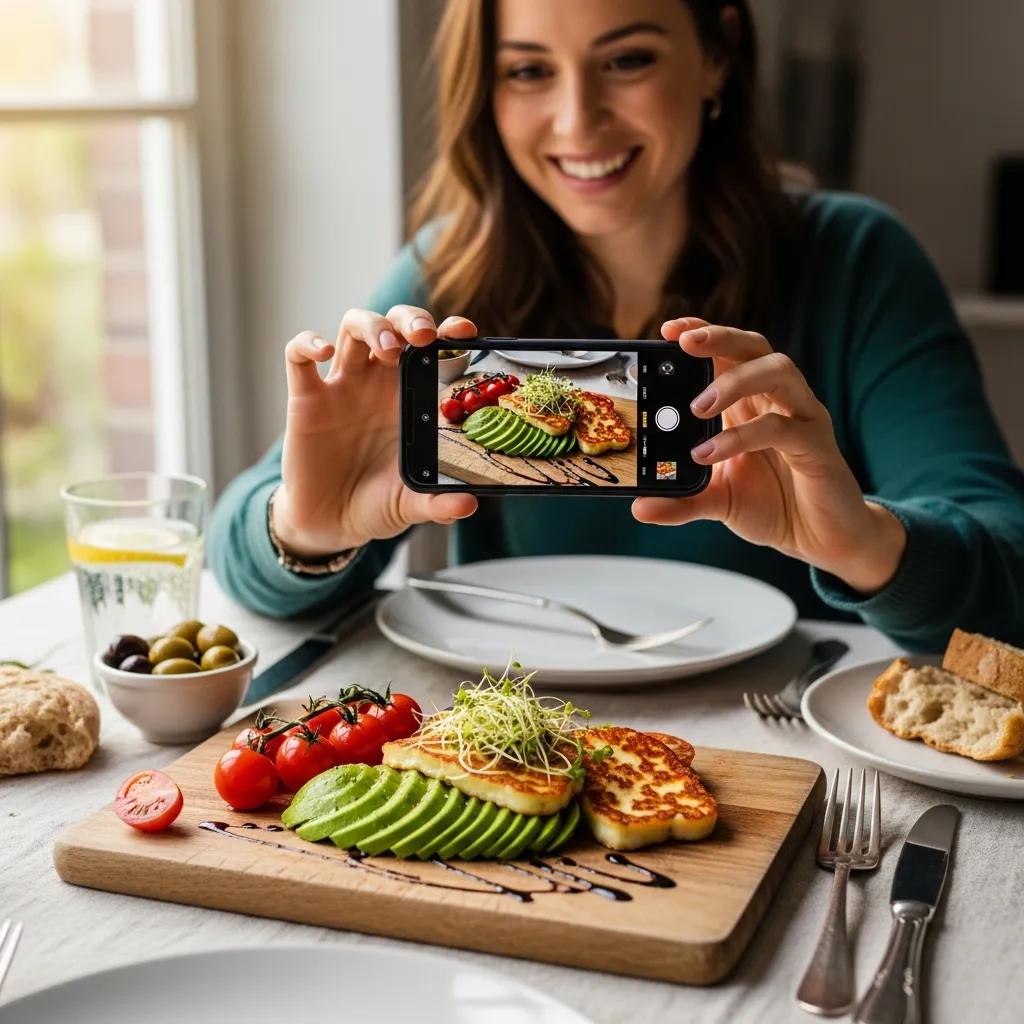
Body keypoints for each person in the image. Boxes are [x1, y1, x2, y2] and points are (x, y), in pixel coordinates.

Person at [209, 0, 1024, 653]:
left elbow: (1010, 575)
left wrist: (866, 544)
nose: (577, 120)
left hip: (793, 756)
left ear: (716, 55)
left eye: (627, 60)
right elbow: (245, 562)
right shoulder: (446, 273)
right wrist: (306, 528)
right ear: (485, 96)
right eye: (528, 71)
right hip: (531, 740)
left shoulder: (857, 259)